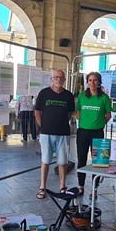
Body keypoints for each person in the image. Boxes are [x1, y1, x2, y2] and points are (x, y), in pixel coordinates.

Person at [34, 69, 75, 199]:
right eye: (56, 77)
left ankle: (62, 187)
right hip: (46, 134)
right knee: (45, 161)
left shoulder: (68, 95)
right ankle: (42, 187)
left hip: (63, 133)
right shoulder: (44, 93)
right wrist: (43, 126)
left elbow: (69, 114)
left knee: (62, 162)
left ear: (64, 80)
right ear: (52, 79)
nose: (59, 79)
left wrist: (60, 123)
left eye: (61, 77)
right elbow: (37, 112)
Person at [75, 72, 112, 200]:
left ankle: (94, 189)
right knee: (81, 160)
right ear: (87, 82)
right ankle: (81, 187)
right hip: (83, 132)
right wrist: (84, 120)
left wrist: (100, 123)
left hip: (97, 132)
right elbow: (78, 112)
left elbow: (108, 115)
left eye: (95, 80)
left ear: (99, 82)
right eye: (90, 80)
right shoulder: (81, 97)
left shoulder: (104, 98)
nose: (92, 83)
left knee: (97, 162)